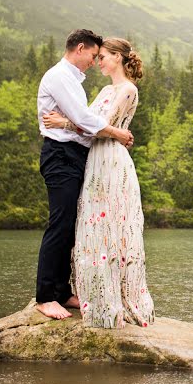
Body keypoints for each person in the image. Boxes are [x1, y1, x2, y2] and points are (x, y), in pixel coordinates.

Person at [42, 37, 155, 328]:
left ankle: (114, 296)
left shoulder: (128, 90)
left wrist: (65, 122)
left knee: (112, 223)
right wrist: (77, 123)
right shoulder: (106, 88)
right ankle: (84, 292)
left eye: (103, 56)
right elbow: (91, 121)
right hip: (94, 158)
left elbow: (97, 126)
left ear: (118, 57)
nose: (98, 62)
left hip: (111, 159)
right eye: (97, 56)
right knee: (88, 223)